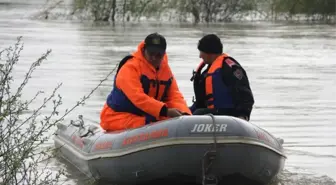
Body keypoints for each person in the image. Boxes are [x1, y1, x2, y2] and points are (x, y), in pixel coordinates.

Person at [100, 33, 191, 131]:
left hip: (149, 115)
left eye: (158, 55)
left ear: (164, 54)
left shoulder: (165, 70)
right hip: (118, 116)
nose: (154, 58)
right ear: (144, 50)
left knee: (163, 122)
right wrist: (165, 111)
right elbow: (138, 97)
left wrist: (185, 115)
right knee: (152, 124)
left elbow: (174, 96)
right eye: (151, 54)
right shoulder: (130, 68)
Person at [189, 34, 254, 121]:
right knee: (191, 112)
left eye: (201, 52)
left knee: (198, 113)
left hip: (230, 114)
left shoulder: (230, 68)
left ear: (209, 53)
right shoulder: (206, 72)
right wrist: (185, 112)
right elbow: (200, 102)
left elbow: (245, 95)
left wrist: (243, 115)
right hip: (212, 112)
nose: (200, 56)